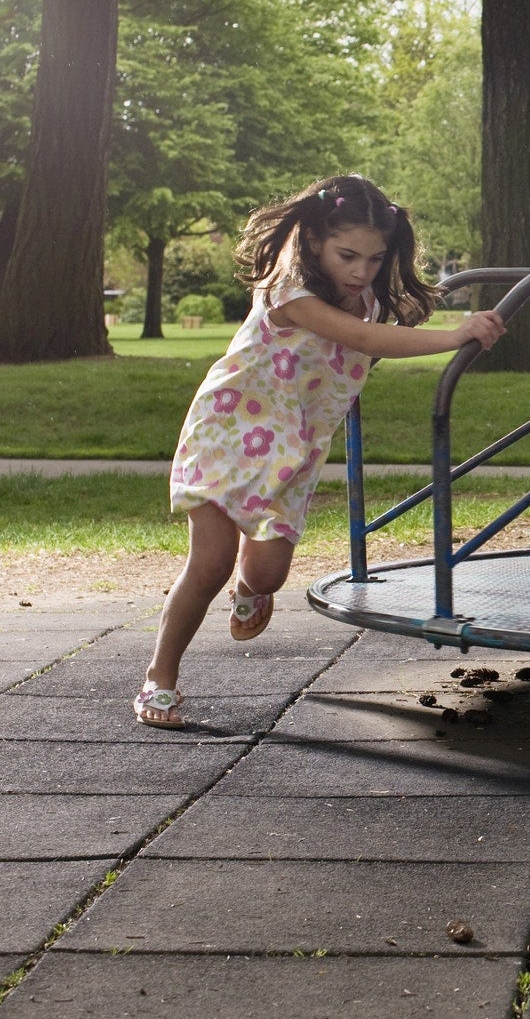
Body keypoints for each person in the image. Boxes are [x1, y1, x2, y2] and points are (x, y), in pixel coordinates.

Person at [140, 175, 505, 727]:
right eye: (348, 255)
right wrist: (456, 335)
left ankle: (250, 588)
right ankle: (159, 677)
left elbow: (384, 327)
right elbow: (367, 342)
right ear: (313, 241)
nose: (361, 271)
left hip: (296, 444)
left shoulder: (370, 296)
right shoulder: (290, 291)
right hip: (226, 428)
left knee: (266, 575)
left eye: (376, 259)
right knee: (208, 561)